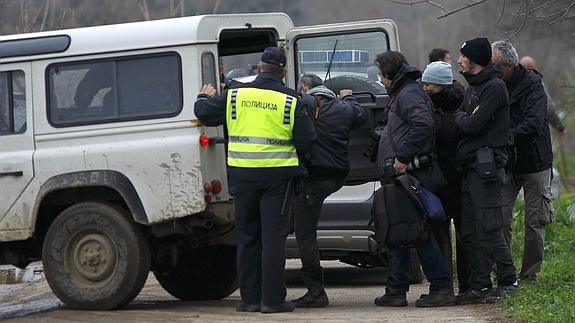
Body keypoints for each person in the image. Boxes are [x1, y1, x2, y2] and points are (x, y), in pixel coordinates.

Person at [194, 47, 316, 313]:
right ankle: (272, 301)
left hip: (242, 176)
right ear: (283, 72)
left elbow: (203, 112)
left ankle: (249, 299)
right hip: (277, 178)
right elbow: (307, 141)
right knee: (272, 240)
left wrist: (203, 95)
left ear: (259, 68)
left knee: (248, 238)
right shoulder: (291, 100)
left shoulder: (235, 96)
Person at [373, 51, 454, 308]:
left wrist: (402, 159)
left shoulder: (408, 93)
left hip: (412, 174)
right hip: (402, 176)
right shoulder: (403, 92)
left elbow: (422, 125)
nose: (380, 79)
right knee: (401, 230)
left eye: (380, 74)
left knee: (416, 232)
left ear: (388, 73)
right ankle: (396, 289)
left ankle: (440, 287)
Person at [291, 73, 368, 308]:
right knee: (304, 228)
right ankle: (315, 290)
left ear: (304, 88)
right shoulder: (344, 108)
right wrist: (349, 98)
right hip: (337, 176)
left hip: (313, 177)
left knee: (304, 234)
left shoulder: (302, 105)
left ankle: (316, 291)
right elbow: (361, 116)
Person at [454, 37, 518, 304]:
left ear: (475, 60)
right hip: (470, 168)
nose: (459, 60)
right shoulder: (473, 88)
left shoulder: (494, 88)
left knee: (490, 228)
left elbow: (471, 125)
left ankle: (508, 281)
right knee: (470, 230)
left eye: (463, 56)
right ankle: (480, 285)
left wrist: (465, 119)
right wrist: (465, 118)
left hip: (487, 169)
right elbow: (462, 118)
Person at [492, 42, 554, 282]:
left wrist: (504, 136)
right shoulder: (495, 86)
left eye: (496, 66)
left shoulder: (533, 85)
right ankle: (504, 273)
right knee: (500, 218)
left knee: (535, 222)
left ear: (509, 65)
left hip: (536, 162)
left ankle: (529, 275)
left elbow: (535, 121)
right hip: (508, 163)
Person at [421, 61, 470, 295]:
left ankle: (467, 285)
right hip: (437, 179)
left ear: (441, 84)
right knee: (438, 232)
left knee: (463, 234)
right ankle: (443, 287)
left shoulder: (461, 106)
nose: (425, 88)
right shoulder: (430, 106)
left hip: (458, 178)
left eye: (429, 84)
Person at [519, 56, 567, 137]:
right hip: (537, 133)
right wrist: (560, 128)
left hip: (519, 132)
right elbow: (549, 109)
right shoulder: (539, 85)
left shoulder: (514, 85)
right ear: (534, 68)